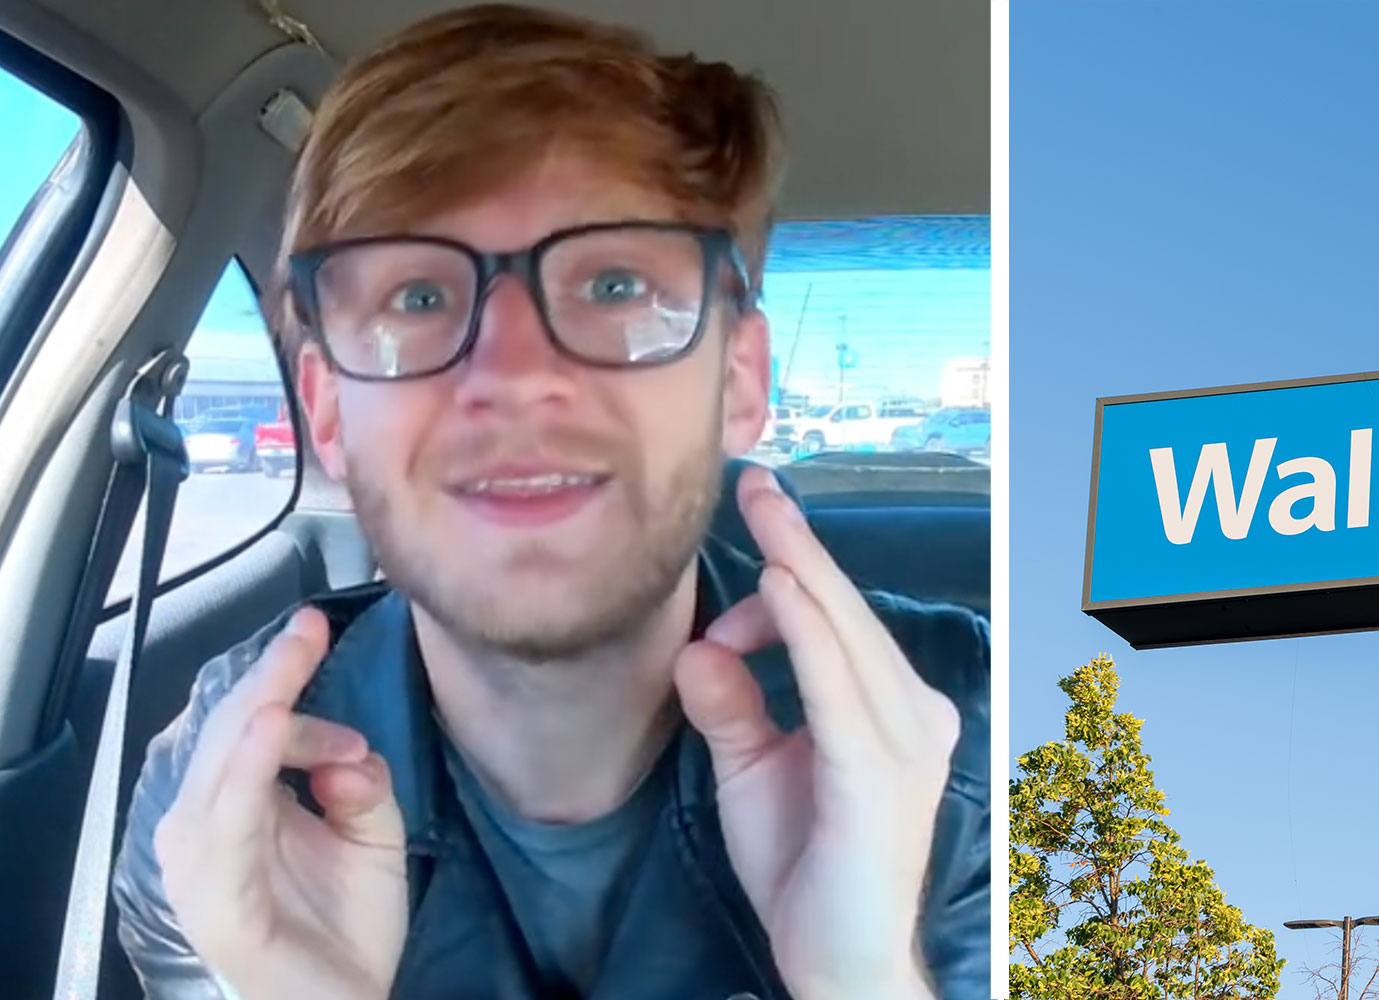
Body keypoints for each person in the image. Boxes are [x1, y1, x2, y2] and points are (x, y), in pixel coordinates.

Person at [108, 6, 990, 999]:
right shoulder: (224, 794)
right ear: (326, 409)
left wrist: (863, 977)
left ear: (741, 381)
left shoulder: (986, 741)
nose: (516, 374)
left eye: (613, 284)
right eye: (418, 298)